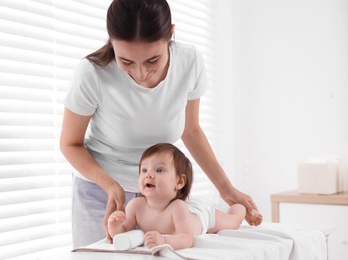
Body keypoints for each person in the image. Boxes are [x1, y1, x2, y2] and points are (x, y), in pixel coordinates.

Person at [60, 0, 262, 248]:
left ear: (171, 35)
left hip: (162, 197)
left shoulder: (189, 63)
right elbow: (70, 144)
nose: (141, 73)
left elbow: (192, 131)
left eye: (152, 60)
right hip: (101, 194)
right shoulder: (92, 74)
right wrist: (109, 185)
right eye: (126, 62)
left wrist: (227, 189)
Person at [108, 143, 246, 250]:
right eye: (144, 170)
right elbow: (124, 232)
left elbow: (187, 238)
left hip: (199, 214)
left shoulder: (177, 207)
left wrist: (164, 240)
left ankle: (239, 208)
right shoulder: (135, 205)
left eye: (159, 170)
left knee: (232, 222)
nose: (148, 175)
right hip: (186, 209)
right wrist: (114, 226)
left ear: (179, 182)